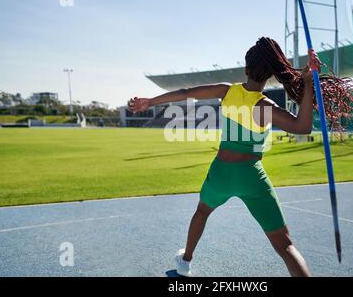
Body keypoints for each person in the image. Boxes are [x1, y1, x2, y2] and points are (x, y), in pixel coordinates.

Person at [128, 37, 322, 277]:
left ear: (246, 69)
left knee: (202, 211)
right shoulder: (266, 106)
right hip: (251, 176)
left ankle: (185, 261)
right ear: (270, 75)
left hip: (221, 172)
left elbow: (187, 92)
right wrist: (309, 83)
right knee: (285, 246)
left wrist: (150, 101)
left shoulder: (226, 91)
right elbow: (302, 127)